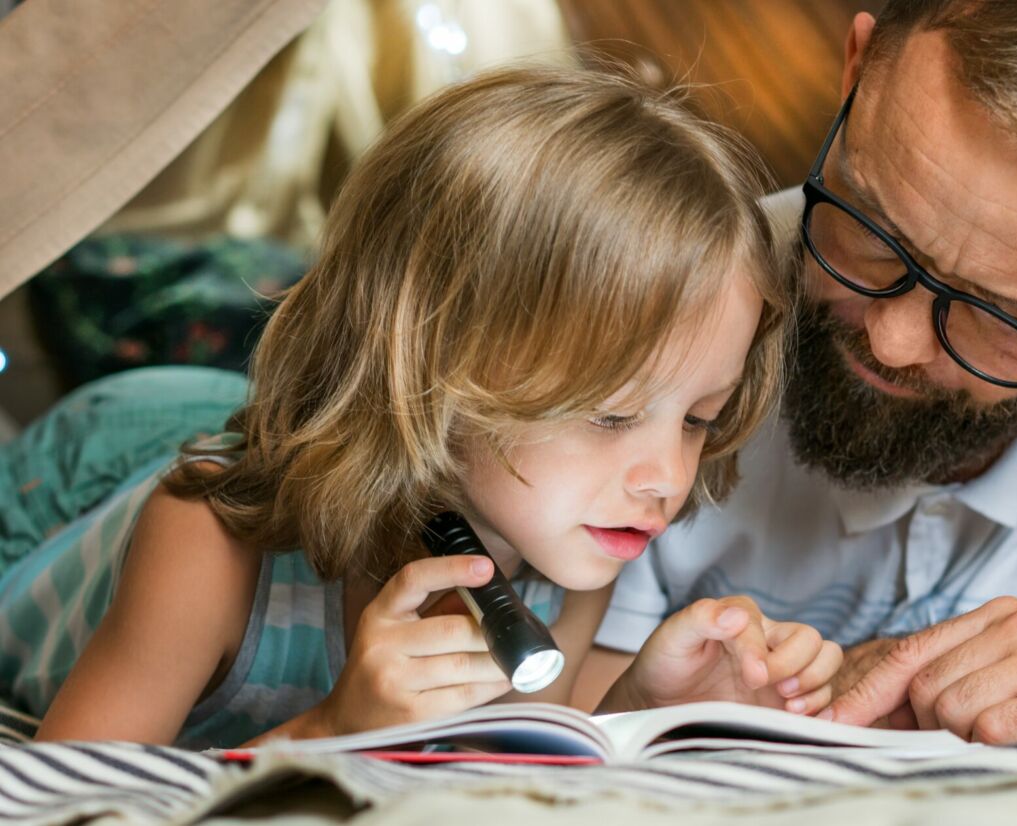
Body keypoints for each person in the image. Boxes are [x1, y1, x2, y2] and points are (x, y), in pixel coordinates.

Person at [0, 66, 842, 749]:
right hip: (79, 478)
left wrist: (641, 706)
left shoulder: (563, 566)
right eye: (612, 416)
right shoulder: (206, 545)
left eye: (698, 418)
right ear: (435, 366)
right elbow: (73, 804)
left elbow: (506, 765)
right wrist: (329, 730)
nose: (665, 479)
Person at [587, 1, 1017, 742]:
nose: (895, 340)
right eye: (873, 232)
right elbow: (554, 733)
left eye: (1000, 314)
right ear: (856, 73)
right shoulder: (642, 329)